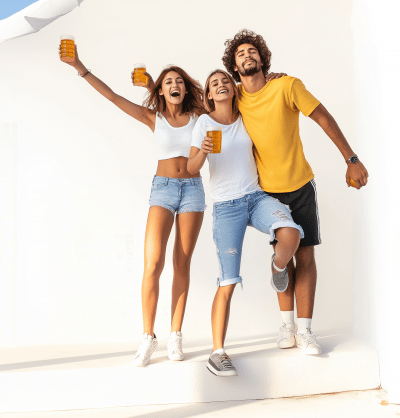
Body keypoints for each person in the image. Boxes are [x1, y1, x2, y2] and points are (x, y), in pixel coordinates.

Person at [221, 29, 369, 354]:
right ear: (234, 65)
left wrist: (351, 159)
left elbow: (322, 116)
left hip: (301, 186)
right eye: (240, 54)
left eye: (251, 51)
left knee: (305, 256)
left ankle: (304, 330)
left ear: (262, 58)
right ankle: (286, 325)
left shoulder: (287, 85)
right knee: (283, 257)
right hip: (267, 195)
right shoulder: (234, 99)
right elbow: (200, 101)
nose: (246, 55)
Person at [59, 43, 206, 366]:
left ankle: (175, 336)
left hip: (193, 191)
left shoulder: (199, 116)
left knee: (182, 264)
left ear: (185, 87)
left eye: (178, 81)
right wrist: (79, 66)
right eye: (168, 83)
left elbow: (226, 99)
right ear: (161, 90)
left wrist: (155, 81)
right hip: (163, 190)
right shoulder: (153, 118)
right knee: (153, 264)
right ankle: (148, 337)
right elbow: (112, 96)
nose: (175, 86)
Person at [188, 70, 304, 376]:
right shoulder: (204, 123)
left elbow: (258, 87)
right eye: (215, 84)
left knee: (290, 233)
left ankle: (278, 266)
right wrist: (203, 151)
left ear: (233, 87)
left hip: (256, 197)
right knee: (228, 280)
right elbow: (190, 167)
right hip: (227, 207)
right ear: (209, 95)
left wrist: (273, 76)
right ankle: (217, 353)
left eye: (226, 80)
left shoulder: (245, 116)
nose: (222, 85)